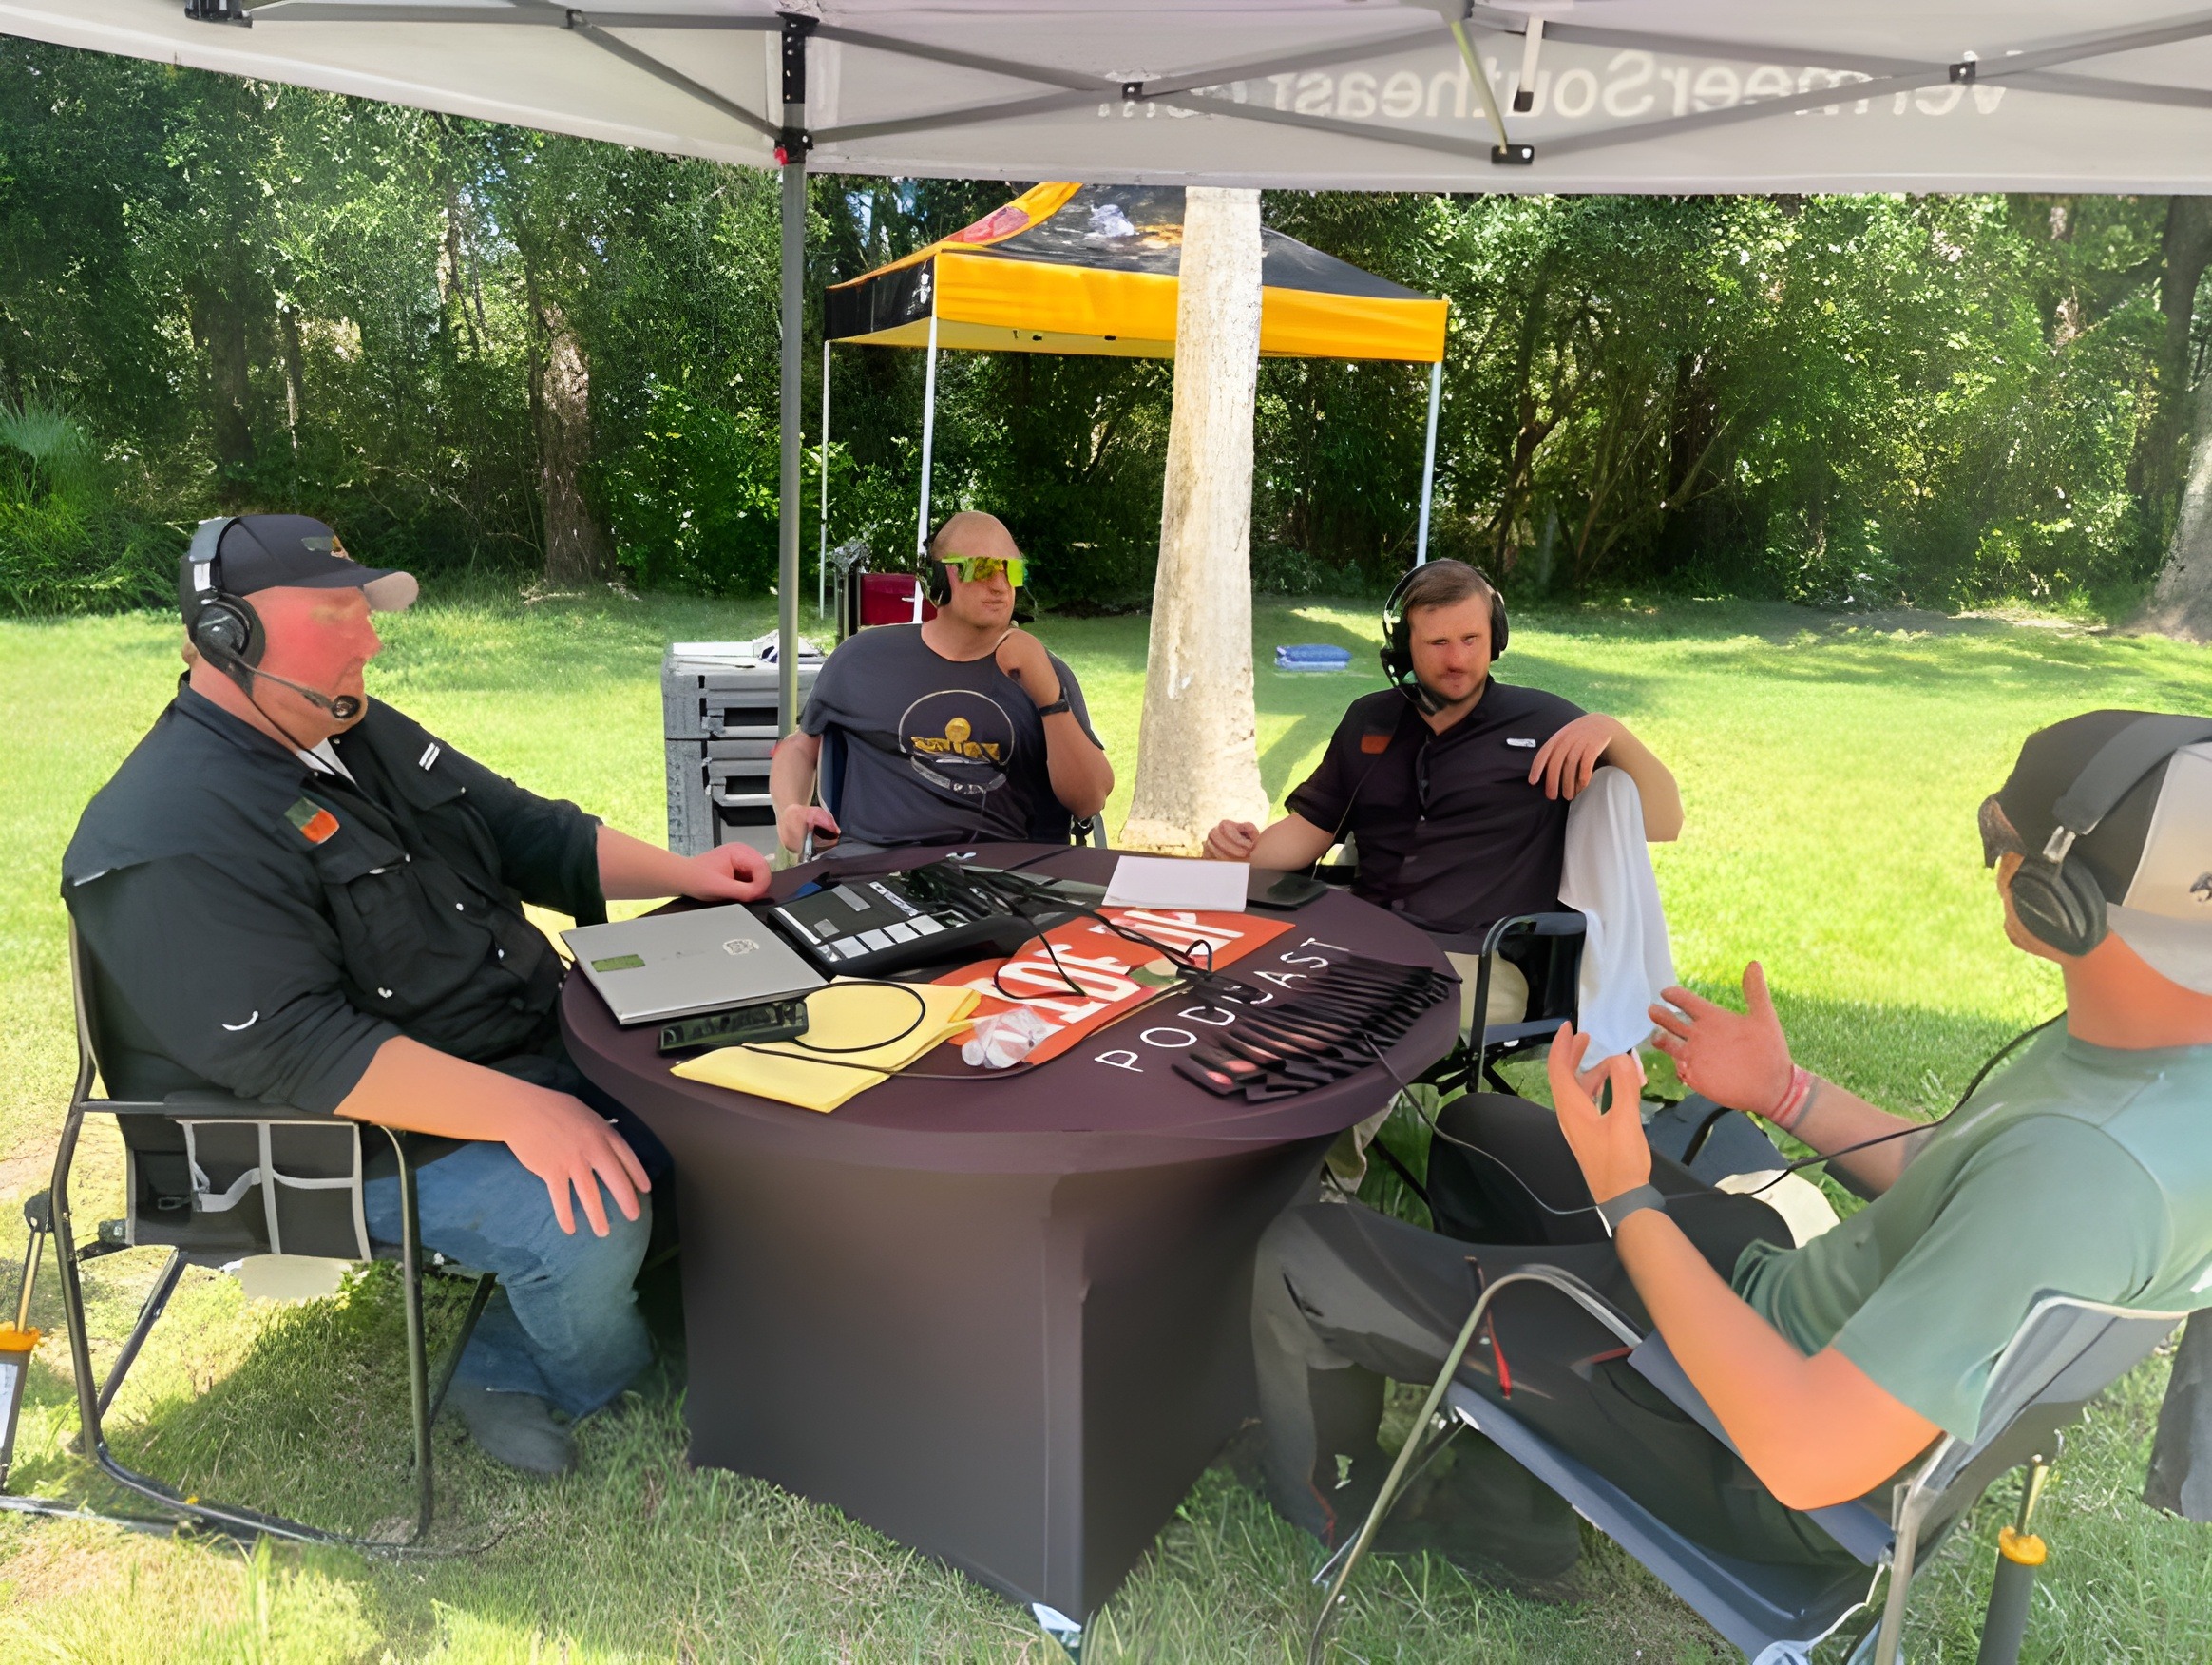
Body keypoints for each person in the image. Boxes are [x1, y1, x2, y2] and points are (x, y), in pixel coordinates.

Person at [1249, 709, 2212, 1590]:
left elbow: (1805, 1454)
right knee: (1476, 1133)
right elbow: (1955, 1180)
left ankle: (1344, 1498)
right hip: (1775, 1307)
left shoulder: (2083, 1169)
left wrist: (1630, 1198)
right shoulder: (2151, 1064)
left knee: (1298, 1259)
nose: (1991, 861)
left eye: (1996, 838)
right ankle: (1509, 1491)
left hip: (1742, 1439)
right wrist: (1785, 1093)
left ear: (2061, 895)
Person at [62, 514, 774, 1477]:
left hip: (497, 1051)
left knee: (724, 1115)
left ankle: (541, 1332)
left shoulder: (351, 727)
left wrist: (690, 873)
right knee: (590, 1214)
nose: (369, 640)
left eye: (365, 612)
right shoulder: (168, 828)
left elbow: (527, 831)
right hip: (314, 1140)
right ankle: (575, 1376)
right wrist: (532, 1114)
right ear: (230, 637)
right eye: (335, 615)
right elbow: (300, 1052)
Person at [1204, 558, 1683, 1030]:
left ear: (1495, 638)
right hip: (1357, 941)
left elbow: (1665, 822)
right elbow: (1307, 832)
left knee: (1339, 1026)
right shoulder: (1370, 720)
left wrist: (1611, 732)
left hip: (1478, 963)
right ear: (1404, 649)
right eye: (1437, 643)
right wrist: (1237, 854)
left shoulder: (1547, 724)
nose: (1457, 660)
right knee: (1224, 991)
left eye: (1471, 639)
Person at [771, 511, 1114, 856]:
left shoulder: (1047, 673)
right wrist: (789, 810)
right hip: (874, 872)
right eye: (981, 568)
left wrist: (1048, 697)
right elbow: (801, 747)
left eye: (1011, 570)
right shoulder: (861, 658)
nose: (999, 585)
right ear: (939, 578)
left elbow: (1089, 802)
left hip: (1011, 881)